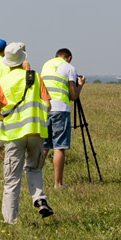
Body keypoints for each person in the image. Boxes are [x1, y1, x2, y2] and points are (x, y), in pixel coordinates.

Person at [0, 43, 53, 224]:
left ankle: (10, 221)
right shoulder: (36, 78)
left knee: (12, 179)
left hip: (13, 134)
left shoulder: (1, 82)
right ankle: (39, 199)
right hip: (35, 131)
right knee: (34, 168)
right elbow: (47, 105)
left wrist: (7, 118)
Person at [41, 48, 85, 189]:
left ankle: (34, 176)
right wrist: (81, 85)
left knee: (44, 145)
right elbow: (73, 95)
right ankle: (58, 183)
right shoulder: (69, 67)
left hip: (44, 108)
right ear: (69, 57)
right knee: (59, 146)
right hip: (60, 109)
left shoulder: (46, 64)